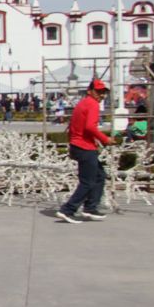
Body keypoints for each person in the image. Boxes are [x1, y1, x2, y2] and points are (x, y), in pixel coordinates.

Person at [57, 80, 115, 224]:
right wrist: (105, 139)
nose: (101, 95)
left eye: (103, 92)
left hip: (79, 145)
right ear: (90, 91)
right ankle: (67, 210)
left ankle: (90, 207)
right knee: (88, 182)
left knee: (99, 175)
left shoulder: (83, 103)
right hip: (85, 147)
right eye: (99, 91)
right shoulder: (92, 104)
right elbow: (90, 127)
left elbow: (72, 127)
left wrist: (72, 145)